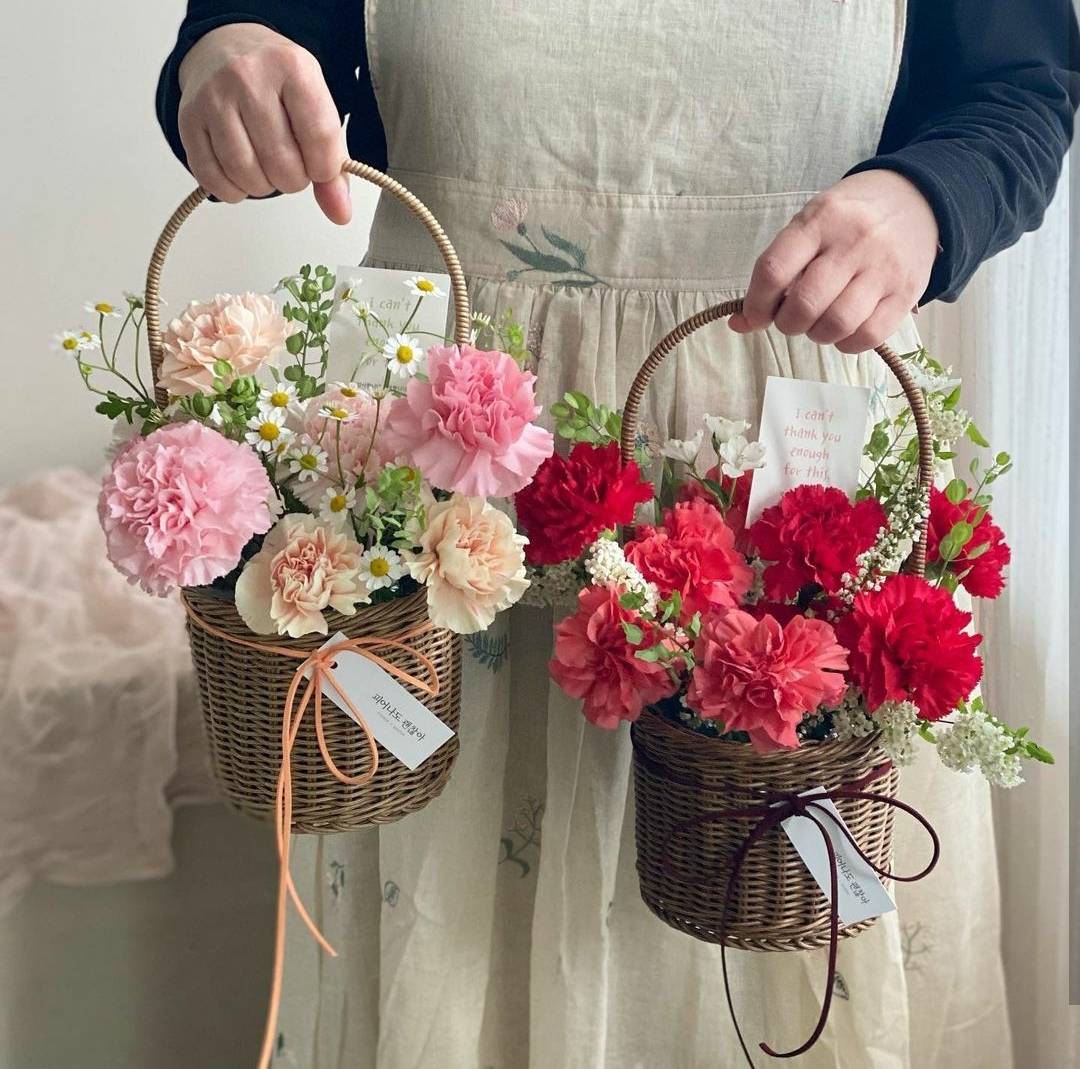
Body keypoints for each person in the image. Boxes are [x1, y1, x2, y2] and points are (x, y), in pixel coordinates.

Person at [158, 5, 1077, 1068]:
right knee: (456, 939)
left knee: (779, 940)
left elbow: (1018, 90)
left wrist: (925, 199)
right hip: (455, 457)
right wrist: (222, 53)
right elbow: (254, 34)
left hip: (790, 457)